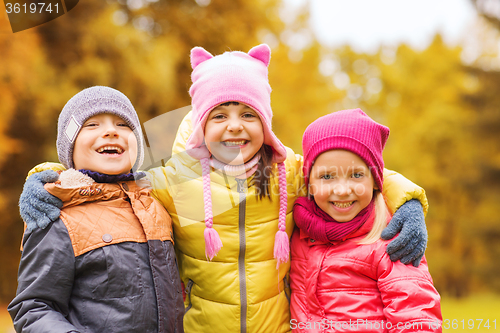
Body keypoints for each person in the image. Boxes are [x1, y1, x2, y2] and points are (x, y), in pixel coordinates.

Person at [19, 45, 429, 333]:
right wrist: (49, 174)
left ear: (265, 124)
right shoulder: (173, 182)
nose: (234, 125)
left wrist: (408, 200)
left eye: (248, 113)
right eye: (220, 114)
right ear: (201, 125)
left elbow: (352, 171)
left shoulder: (289, 173)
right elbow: (111, 181)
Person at [8, 86, 184, 333]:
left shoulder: (158, 204)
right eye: (92, 125)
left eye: (123, 124)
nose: (111, 131)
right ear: (70, 148)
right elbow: (33, 308)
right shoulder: (58, 215)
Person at [290, 109, 442, 332]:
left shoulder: (391, 240)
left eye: (356, 175)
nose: (342, 190)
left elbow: (415, 318)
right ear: (309, 183)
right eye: (327, 176)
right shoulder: (299, 232)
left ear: (375, 181)